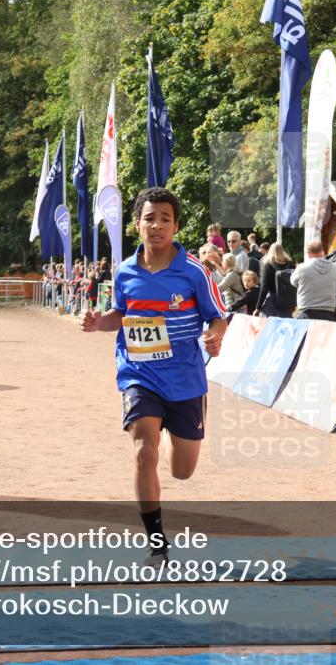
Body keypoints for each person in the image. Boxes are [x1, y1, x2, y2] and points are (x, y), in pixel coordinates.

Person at [80, 187, 227, 566]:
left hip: (185, 379)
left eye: (165, 218)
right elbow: (119, 315)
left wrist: (215, 336)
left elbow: (218, 316)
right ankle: (158, 545)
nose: (157, 225)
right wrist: (99, 323)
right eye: (150, 218)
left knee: (182, 470)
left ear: (176, 225)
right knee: (144, 452)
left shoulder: (194, 271)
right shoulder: (126, 271)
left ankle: (175, 436)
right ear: (137, 224)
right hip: (139, 374)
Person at [290, 240, 336, 321]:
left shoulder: (302, 267)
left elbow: (293, 282)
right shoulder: (335, 268)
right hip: (328, 312)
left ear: (308, 253)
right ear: (322, 251)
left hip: (307, 312)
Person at [255, 243, 295, 318]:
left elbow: (264, 288)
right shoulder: (290, 264)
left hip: (273, 302)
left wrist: (258, 307)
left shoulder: (268, 266)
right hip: (288, 302)